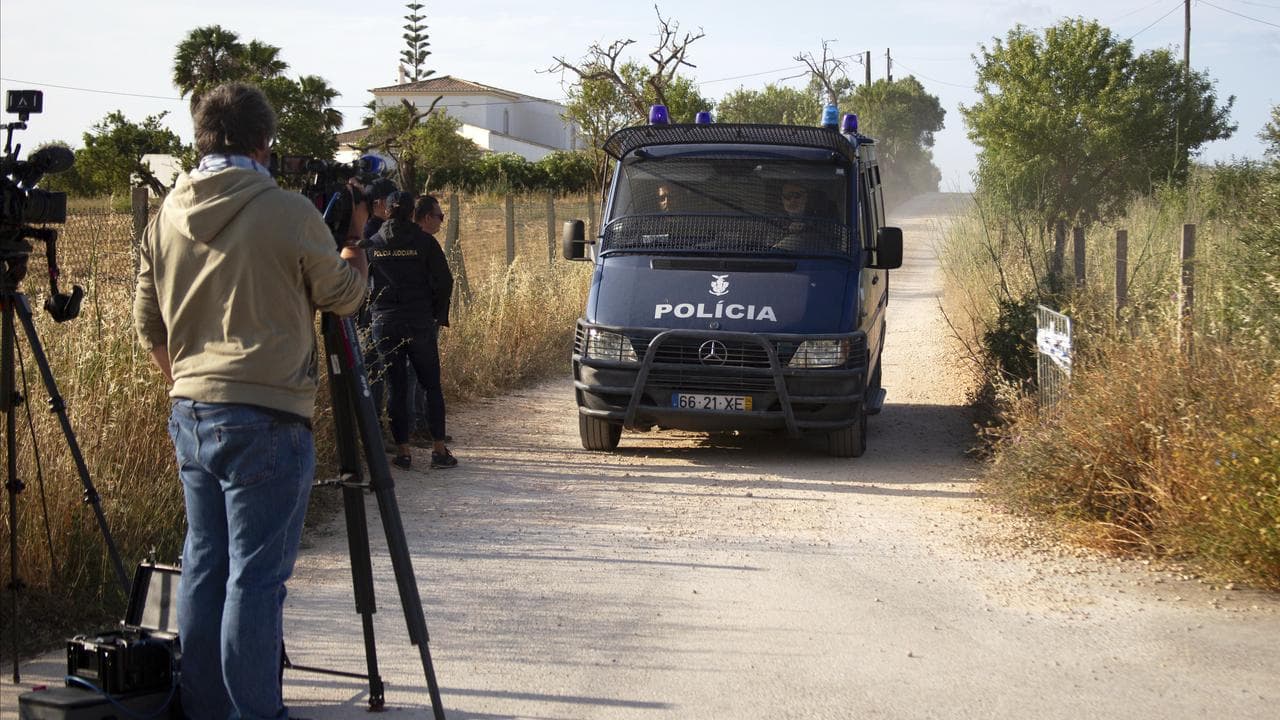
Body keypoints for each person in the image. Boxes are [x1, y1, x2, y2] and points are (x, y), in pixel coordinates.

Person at [132, 82, 368, 720]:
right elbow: (343, 296)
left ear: (200, 137)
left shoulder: (165, 216)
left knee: (206, 567)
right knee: (256, 580)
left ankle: (207, 709)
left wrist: (191, 384)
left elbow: (148, 326)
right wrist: (354, 247)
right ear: (265, 144)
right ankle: (259, 713)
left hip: (192, 412)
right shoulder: (287, 210)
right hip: (267, 416)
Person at [363, 191, 457, 470]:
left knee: (395, 387)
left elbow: (360, 281)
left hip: (384, 323)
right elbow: (445, 281)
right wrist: (436, 314)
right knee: (431, 385)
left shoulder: (373, 243)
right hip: (418, 322)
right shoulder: (424, 242)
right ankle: (438, 449)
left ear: (388, 210)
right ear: (410, 212)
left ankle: (403, 452)